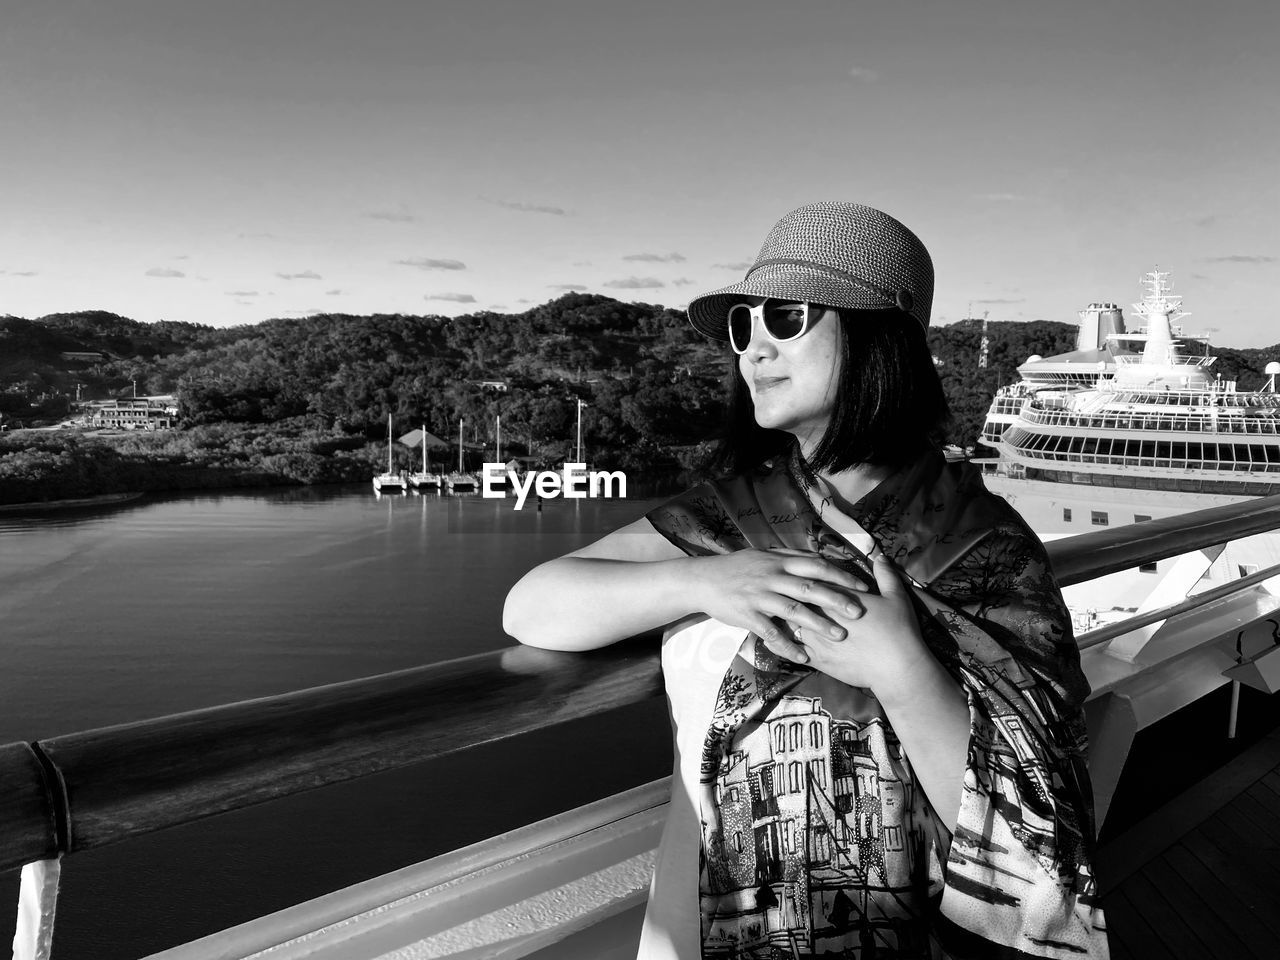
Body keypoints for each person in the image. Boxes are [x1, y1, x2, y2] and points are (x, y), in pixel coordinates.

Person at [503, 202, 1108, 959]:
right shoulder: (734, 517)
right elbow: (533, 606)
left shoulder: (989, 548)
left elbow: (1034, 832)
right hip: (703, 920)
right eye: (742, 326)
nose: (754, 347)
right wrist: (715, 581)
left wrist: (903, 672)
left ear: (879, 339)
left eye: (786, 317)